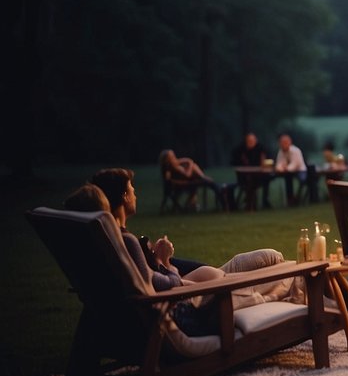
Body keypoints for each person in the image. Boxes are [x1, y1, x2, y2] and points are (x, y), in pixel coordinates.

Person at [86, 169, 318, 336]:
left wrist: (167, 263)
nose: (135, 194)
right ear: (124, 197)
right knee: (291, 272)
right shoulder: (126, 242)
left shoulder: (112, 242)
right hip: (204, 301)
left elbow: (158, 281)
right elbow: (166, 285)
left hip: (207, 286)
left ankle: (306, 298)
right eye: (132, 190)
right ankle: (312, 308)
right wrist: (163, 260)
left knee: (274, 258)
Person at [159, 148, 232, 211]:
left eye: (173, 155)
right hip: (187, 184)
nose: (174, 157)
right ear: (167, 159)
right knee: (211, 183)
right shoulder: (170, 168)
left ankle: (209, 181)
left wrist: (189, 161)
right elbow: (187, 175)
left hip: (191, 181)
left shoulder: (175, 164)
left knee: (210, 182)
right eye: (172, 156)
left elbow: (184, 162)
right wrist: (190, 164)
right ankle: (224, 202)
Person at [231, 132, 272, 209]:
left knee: (266, 178)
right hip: (244, 176)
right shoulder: (240, 150)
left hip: (259, 176)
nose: (251, 143)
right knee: (249, 181)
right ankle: (249, 203)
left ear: (256, 140)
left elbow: (268, 160)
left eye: (252, 141)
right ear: (246, 141)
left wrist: (265, 164)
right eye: (249, 141)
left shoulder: (261, 149)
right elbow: (234, 162)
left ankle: (264, 202)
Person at [274, 132, 307, 205]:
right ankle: (290, 198)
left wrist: (286, 168)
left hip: (300, 170)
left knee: (302, 180)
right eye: (282, 142)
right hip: (288, 172)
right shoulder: (281, 152)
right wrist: (280, 168)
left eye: (285, 142)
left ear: (290, 142)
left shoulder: (295, 151)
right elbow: (279, 163)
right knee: (287, 178)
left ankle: (298, 198)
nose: (283, 144)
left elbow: (295, 164)